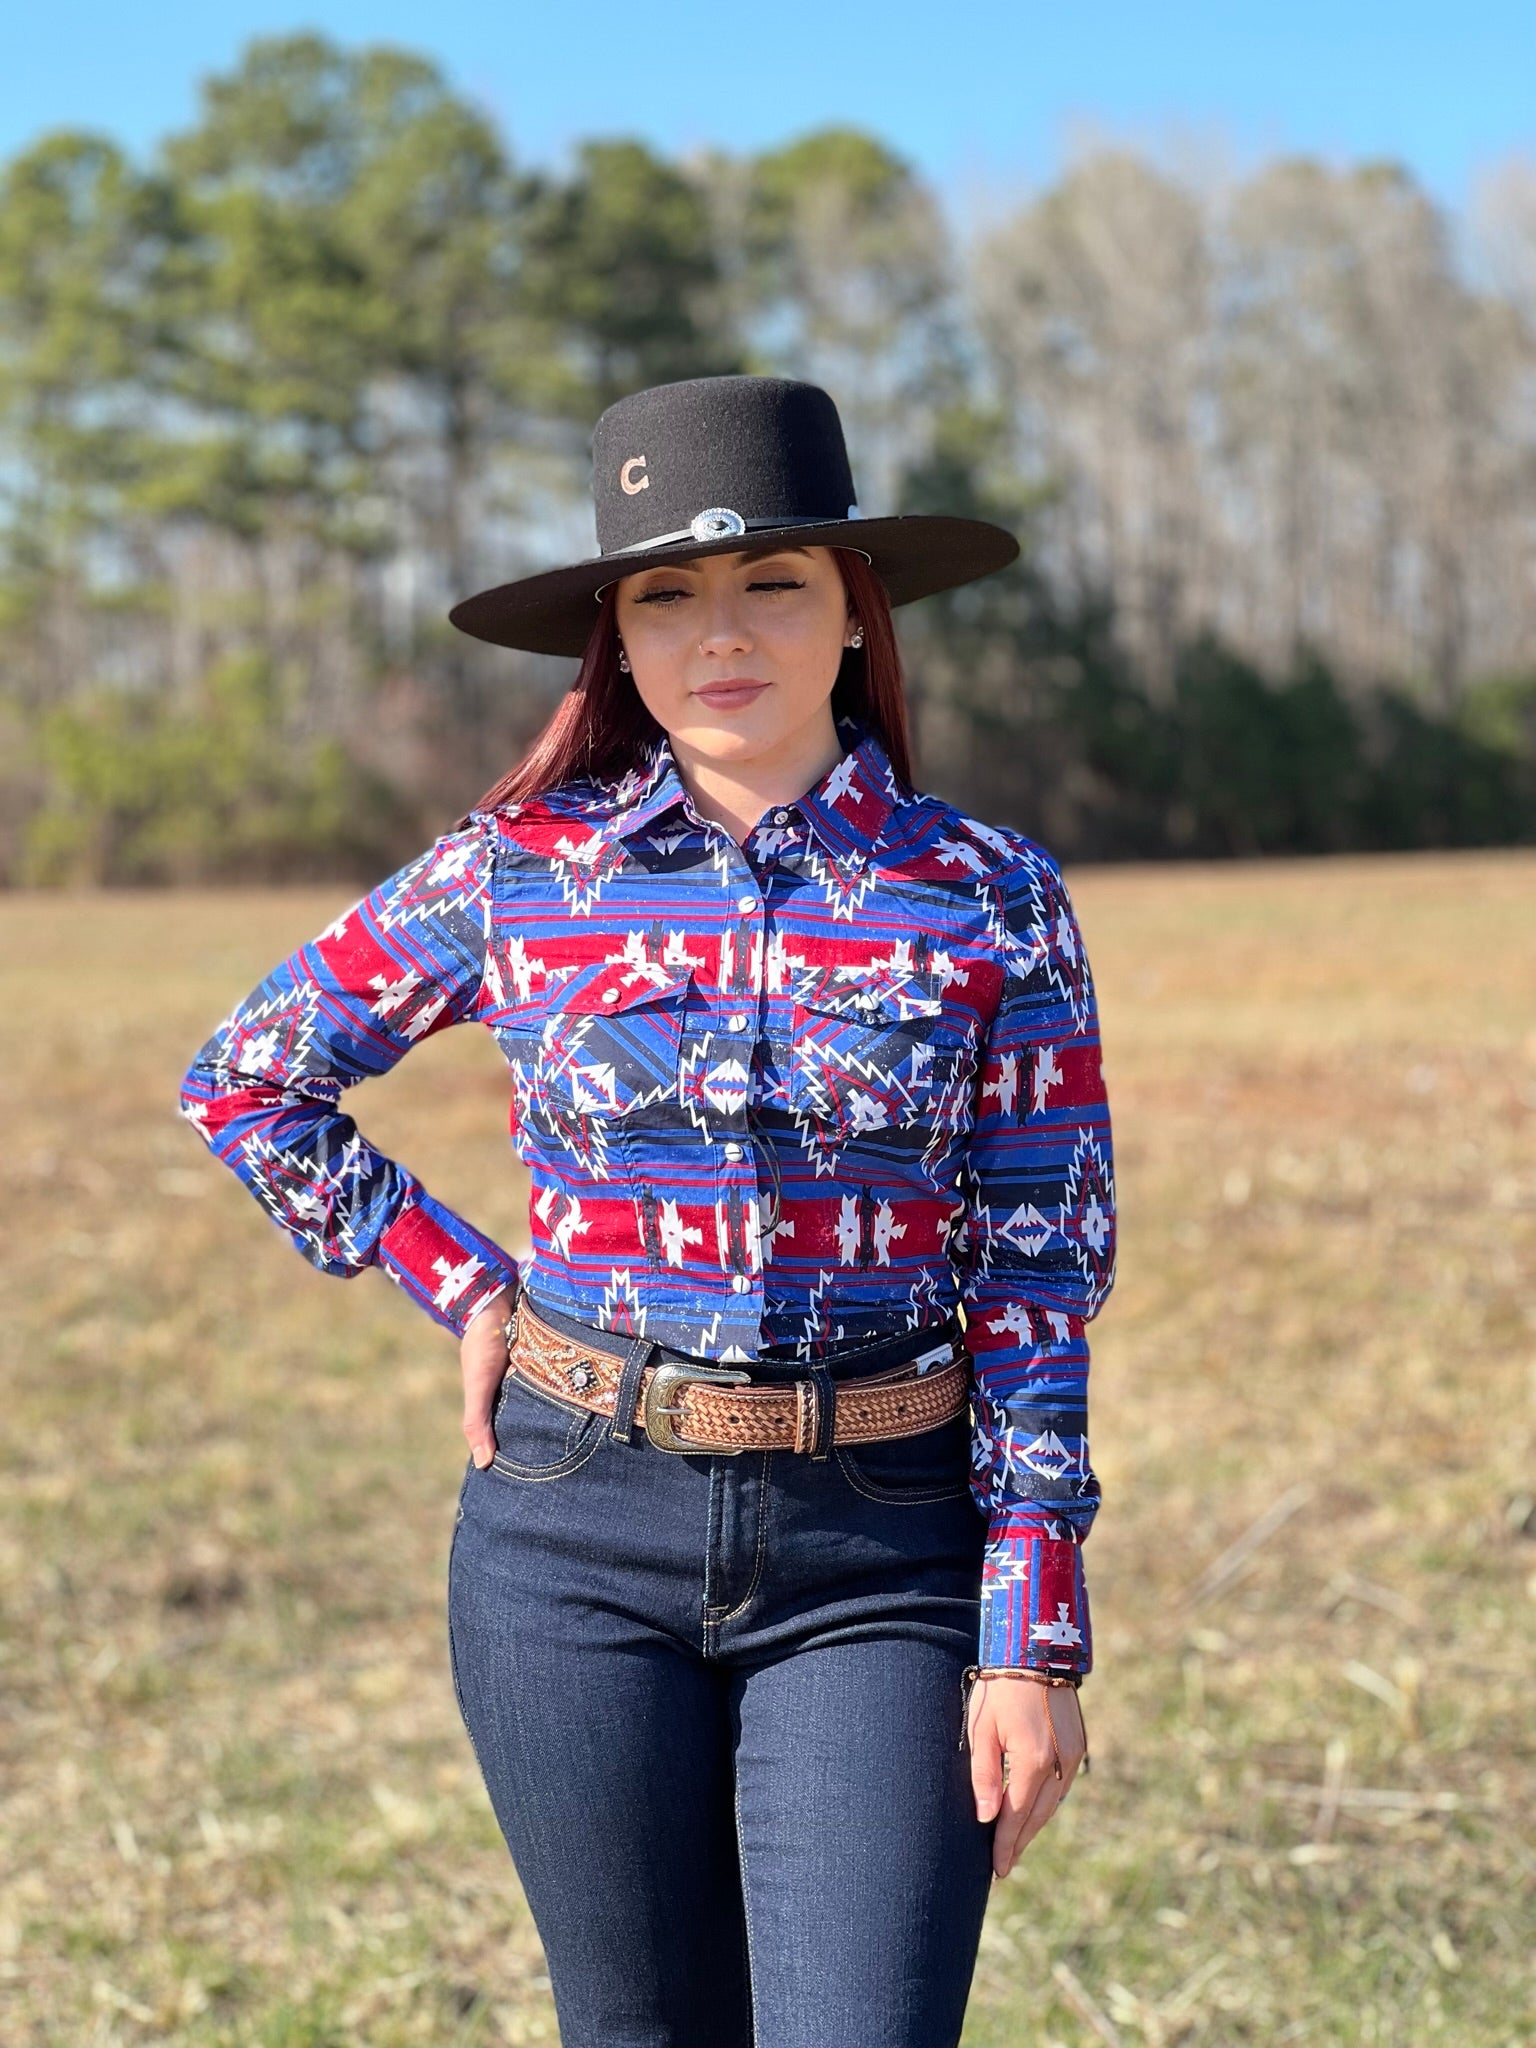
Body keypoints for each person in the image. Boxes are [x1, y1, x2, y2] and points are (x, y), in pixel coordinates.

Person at [178, 374, 1116, 2048]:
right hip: (569, 1537)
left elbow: (1040, 1267)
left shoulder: (990, 894)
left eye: (773, 582)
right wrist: (463, 1283)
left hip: (881, 1552)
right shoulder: (519, 873)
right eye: (665, 595)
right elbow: (249, 1076)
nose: (721, 633)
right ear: (616, 635)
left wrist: (1032, 1627)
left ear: (852, 612)